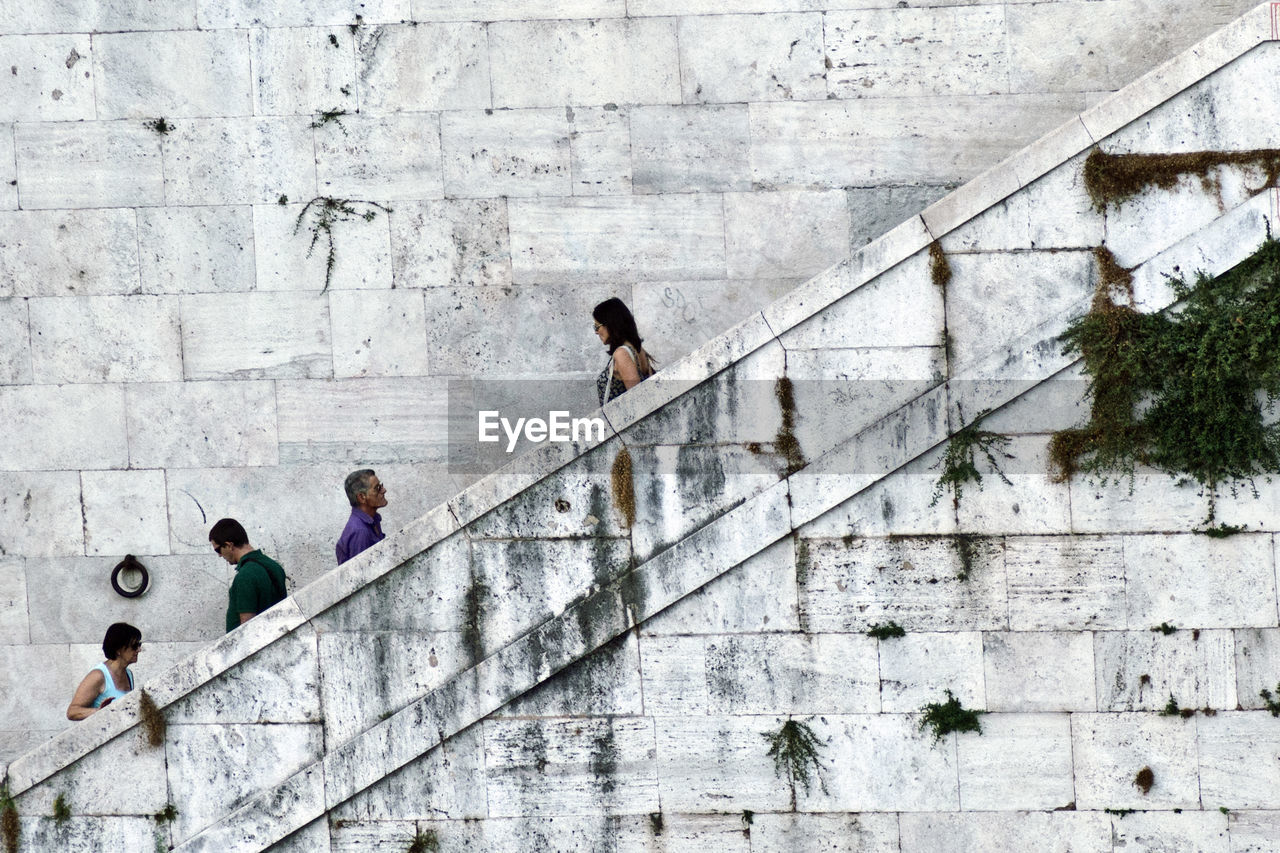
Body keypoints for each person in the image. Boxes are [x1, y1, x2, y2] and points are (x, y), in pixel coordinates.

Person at [209, 517, 287, 633]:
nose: (219, 555)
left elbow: (247, 629)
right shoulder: (274, 566)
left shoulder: (245, 575)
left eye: (218, 550)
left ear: (229, 545)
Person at [67, 623, 142, 720]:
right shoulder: (98, 676)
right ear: (118, 649)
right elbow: (72, 712)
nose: (139, 650)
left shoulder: (128, 674)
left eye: (139, 645)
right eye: (134, 646)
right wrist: (99, 711)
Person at [593, 297, 655, 406]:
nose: (596, 332)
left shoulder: (622, 354)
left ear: (610, 324)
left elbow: (637, 400)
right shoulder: (638, 350)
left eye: (597, 327)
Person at [336, 469, 387, 564]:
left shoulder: (373, 519)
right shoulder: (360, 531)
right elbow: (362, 575)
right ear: (362, 497)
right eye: (377, 488)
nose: (384, 490)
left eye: (381, 486)